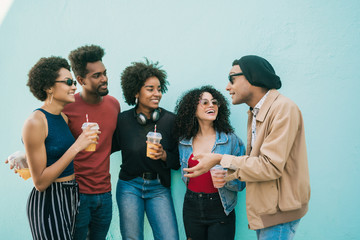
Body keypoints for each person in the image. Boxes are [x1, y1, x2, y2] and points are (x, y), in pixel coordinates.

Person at [184, 55, 310, 240]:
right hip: (268, 211)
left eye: (232, 79)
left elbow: (269, 166)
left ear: (253, 77)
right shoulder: (256, 111)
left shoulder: (283, 108)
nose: (227, 87)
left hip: (279, 213)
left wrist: (219, 159)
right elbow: (255, 164)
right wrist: (228, 176)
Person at [23, 56, 99, 239]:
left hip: (70, 194)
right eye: (68, 82)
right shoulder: (35, 121)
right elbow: (40, 183)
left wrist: (22, 156)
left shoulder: (63, 118)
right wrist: (77, 146)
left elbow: (50, 153)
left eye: (73, 82)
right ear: (48, 87)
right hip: (49, 199)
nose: (74, 86)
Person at [112, 59, 180, 240]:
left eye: (159, 89)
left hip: (159, 188)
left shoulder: (170, 121)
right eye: (150, 89)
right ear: (136, 91)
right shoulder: (122, 121)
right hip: (129, 186)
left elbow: (178, 162)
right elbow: (104, 149)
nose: (157, 93)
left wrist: (165, 155)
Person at [174, 85, 246, 240]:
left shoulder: (231, 140)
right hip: (191, 205)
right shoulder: (183, 141)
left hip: (221, 207)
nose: (211, 105)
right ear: (192, 109)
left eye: (214, 102)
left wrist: (226, 179)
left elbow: (242, 183)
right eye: (204, 102)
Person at [64, 45, 120, 239]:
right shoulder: (67, 106)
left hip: (105, 193)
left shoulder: (113, 104)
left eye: (104, 73)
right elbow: (43, 130)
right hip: (76, 193)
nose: (104, 79)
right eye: (96, 76)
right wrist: (24, 153)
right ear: (81, 80)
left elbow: (112, 143)